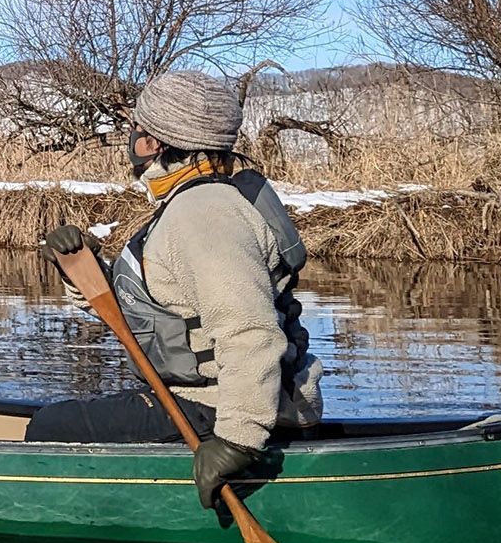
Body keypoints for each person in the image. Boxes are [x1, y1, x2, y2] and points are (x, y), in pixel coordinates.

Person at [27, 69, 324, 512]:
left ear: (156, 143)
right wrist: (82, 272)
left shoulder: (203, 214)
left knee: (49, 426)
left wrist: (236, 443)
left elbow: (250, 334)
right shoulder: (201, 200)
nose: (131, 140)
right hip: (226, 401)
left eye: (137, 130)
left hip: (217, 409)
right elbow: (166, 314)